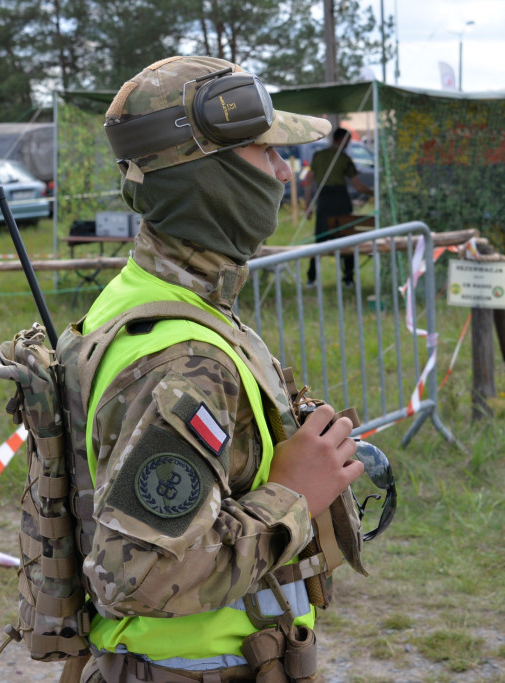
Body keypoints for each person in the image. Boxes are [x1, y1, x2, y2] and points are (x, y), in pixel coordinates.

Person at [67, 55, 368, 683]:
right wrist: (293, 495)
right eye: (266, 153)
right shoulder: (185, 359)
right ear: (210, 178)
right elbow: (140, 576)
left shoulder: (142, 297)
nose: (284, 172)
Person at [304, 127, 375, 287]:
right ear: (340, 139)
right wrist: (374, 192)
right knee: (347, 239)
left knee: (320, 240)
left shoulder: (318, 156)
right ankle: (348, 279)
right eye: (347, 140)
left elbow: (309, 180)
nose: (349, 144)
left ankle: (311, 278)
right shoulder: (344, 159)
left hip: (323, 201)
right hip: (340, 200)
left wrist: (308, 204)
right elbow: (357, 186)